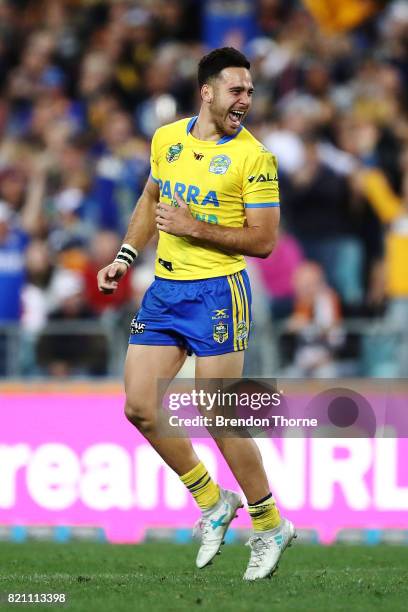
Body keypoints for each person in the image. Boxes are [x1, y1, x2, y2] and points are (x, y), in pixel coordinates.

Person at [97, 47, 295, 581]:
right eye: (236, 90)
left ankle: (271, 522)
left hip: (217, 293)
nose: (245, 100)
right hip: (164, 291)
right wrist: (124, 255)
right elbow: (150, 199)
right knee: (139, 408)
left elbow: (265, 241)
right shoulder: (167, 139)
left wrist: (194, 229)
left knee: (216, 413)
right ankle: (212, 501)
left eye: (250, 92)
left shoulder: (255, 158)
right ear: (206, 91)